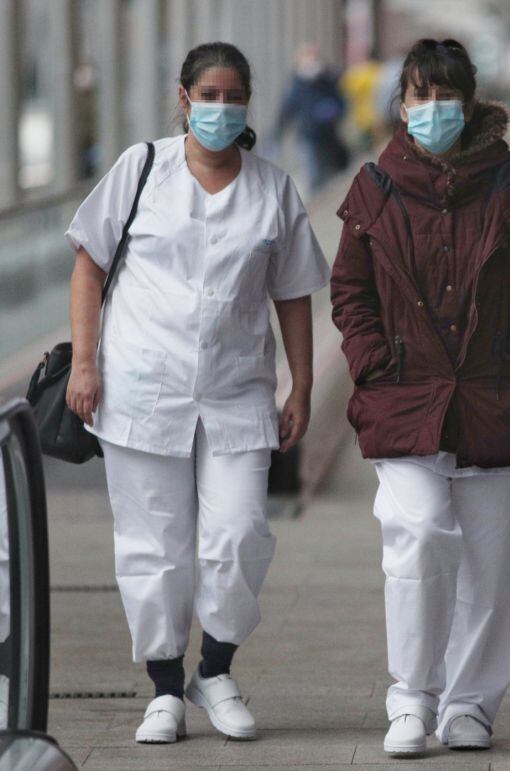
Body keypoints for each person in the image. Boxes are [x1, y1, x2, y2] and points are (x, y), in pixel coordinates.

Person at [64, 42, 330, 744]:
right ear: (183, 100)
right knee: (154, 544)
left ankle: (214, 669)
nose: (218, 107)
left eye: (230, 95)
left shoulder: (272, 187)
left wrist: (301, 382)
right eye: (206, 95)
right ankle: (163, 689)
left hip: (238, 391)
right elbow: (89, 265)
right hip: (142, 387)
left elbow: (295, 292)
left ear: (247, 101)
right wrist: (84, 364)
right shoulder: (140, 170)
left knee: (240, 532)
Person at [329, 39, 510, 756]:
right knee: (418, 538)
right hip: (404, 398)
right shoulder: (376, 185)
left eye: (447, 95)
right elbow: (350, 288)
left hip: (494, 397)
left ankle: (470, 705)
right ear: (401, 106)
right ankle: (411, 698)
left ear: (470, 102)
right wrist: (372, 361)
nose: (434, 109)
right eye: (421, 96)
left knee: (490, 570)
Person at [275, 45, 350, 195]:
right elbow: (286, 111)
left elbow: (342, 104)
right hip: (306, 136)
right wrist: (277, 134)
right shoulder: (296, 86)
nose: (311, 63)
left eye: (314, 58)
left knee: (327, 177)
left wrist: (334, 110)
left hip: (328, 137)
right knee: (312, 175)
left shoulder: (329, 82)